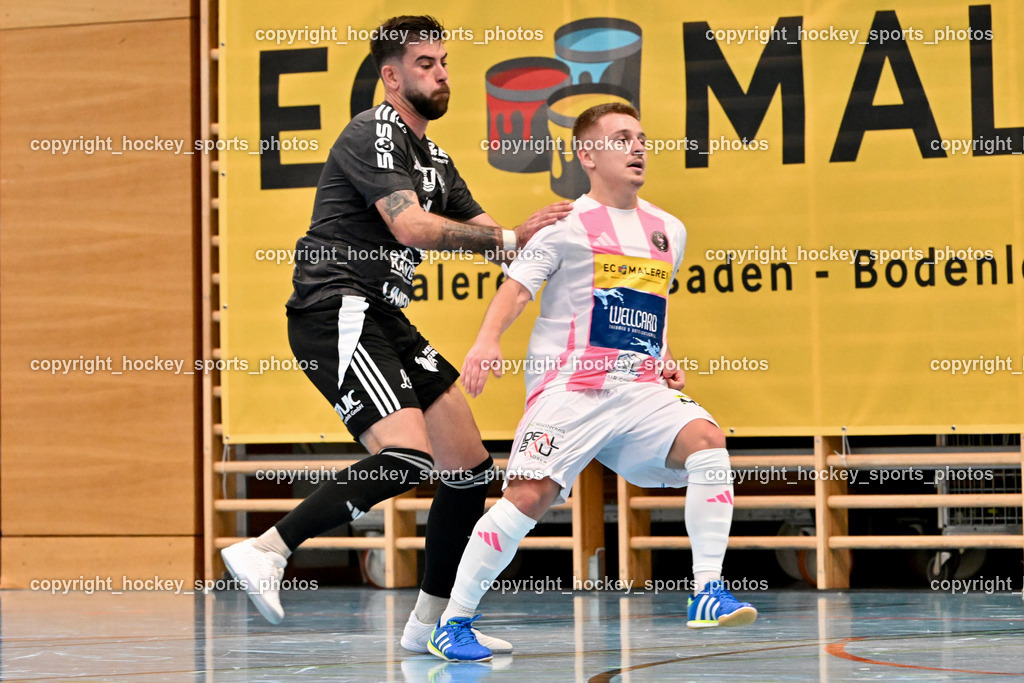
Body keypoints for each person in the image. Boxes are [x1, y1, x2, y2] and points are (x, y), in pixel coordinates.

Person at [220, 14, 571, 656]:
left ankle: (432, 626)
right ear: (391, 75)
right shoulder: (372, 132)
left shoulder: (434, 157)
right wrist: (514, 237)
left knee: (467, 469)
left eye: (444, 64)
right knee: (408, 455)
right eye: (425, 64)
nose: (440, 75)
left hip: (386, 315)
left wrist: (574, 240)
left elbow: (500, 244)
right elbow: (411, 228)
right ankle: (266, 549)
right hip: (335, 306)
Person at [424, 103, 757, 663]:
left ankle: (707, 590)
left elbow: (652, 309)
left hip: (639, 390)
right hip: (570, 390)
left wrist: (666, 357)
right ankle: (453, 622)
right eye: (622, 138)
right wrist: (486, 341)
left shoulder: (667, 230)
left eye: (642, 138)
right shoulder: (565, 226)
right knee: (528, 497)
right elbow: (516, 290)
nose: (637, 148)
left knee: (708, 443)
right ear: (587, 155)